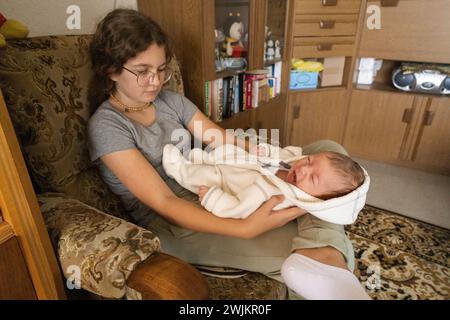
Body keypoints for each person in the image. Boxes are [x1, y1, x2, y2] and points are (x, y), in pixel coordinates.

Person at [87, 9, 371, 300]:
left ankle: (325, 252)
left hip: (223, 176)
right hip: (179, 219)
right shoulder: (108, 126)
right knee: (297, 252)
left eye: (161, 69)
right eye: (142, 71)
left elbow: (220, 139)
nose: (156, 81)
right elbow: (164, 201)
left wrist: (267, 156)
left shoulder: (170, 101)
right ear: (111, 70)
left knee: (328, 150)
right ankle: (329, 252)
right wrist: (245, 228)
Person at [162, 143, 369, 225]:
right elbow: (284, 155)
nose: (304, 168)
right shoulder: (293, 168)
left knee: (202, 176)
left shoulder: (275, 196)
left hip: (224, 181)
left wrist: (213, 199)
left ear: (316, 200)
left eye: (313, 178)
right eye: (309, 160)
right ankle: (203, 158)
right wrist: (266, 152)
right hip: (241, 165)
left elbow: (238, 209)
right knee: (223, 154)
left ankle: (180, 170)